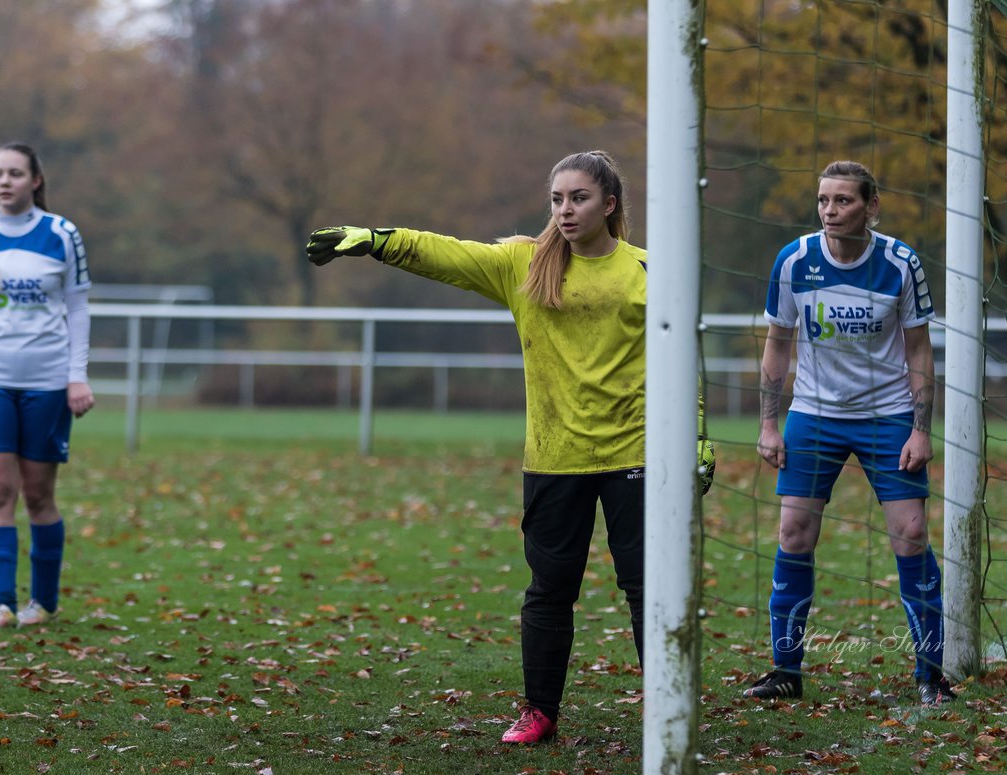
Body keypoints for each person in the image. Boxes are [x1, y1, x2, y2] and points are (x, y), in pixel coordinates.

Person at [305, 150, 713, 743]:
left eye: (579, 198)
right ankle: (540, 710)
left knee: (646, 586)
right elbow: (445, 252)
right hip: (554, 456)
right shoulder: (524, 265)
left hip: (637, 454)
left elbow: (684, 364)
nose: (566, 210)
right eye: (557, 199)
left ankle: (664, 702)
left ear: (610, 204)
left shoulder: (651, 270)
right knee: (549, 590)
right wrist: (374, 240)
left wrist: (696, 432)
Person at [746, 160, 954, 705]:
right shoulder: (794, 261)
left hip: (887, 415)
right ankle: (785, 670)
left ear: (871, 206)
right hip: (814, 413)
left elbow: (918, 350)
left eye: (843, 201)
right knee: (793, 533)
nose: (830, 211)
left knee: (909, 534)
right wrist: (769, 424)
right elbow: (777, 344)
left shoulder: (900, 263)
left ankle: (931, 674)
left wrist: (920, 429)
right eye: (823, 201)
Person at [0, 142, 95, 630]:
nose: (4, 181)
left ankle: (42, 604)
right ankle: (2, 605)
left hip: (47, 384)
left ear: (35, 181)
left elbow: (78, 308)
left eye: (14, 173)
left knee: (38, 495)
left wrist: (77, 375)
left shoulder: (61, 234)